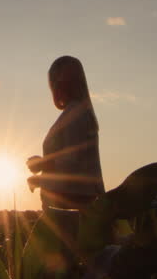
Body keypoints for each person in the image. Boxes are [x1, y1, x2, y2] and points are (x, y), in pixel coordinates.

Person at [26, 55, 105, 210]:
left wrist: (41, 165)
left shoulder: (76, 113)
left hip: (72, 205)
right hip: (72, 202)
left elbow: (71, 162)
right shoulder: (77, 112)